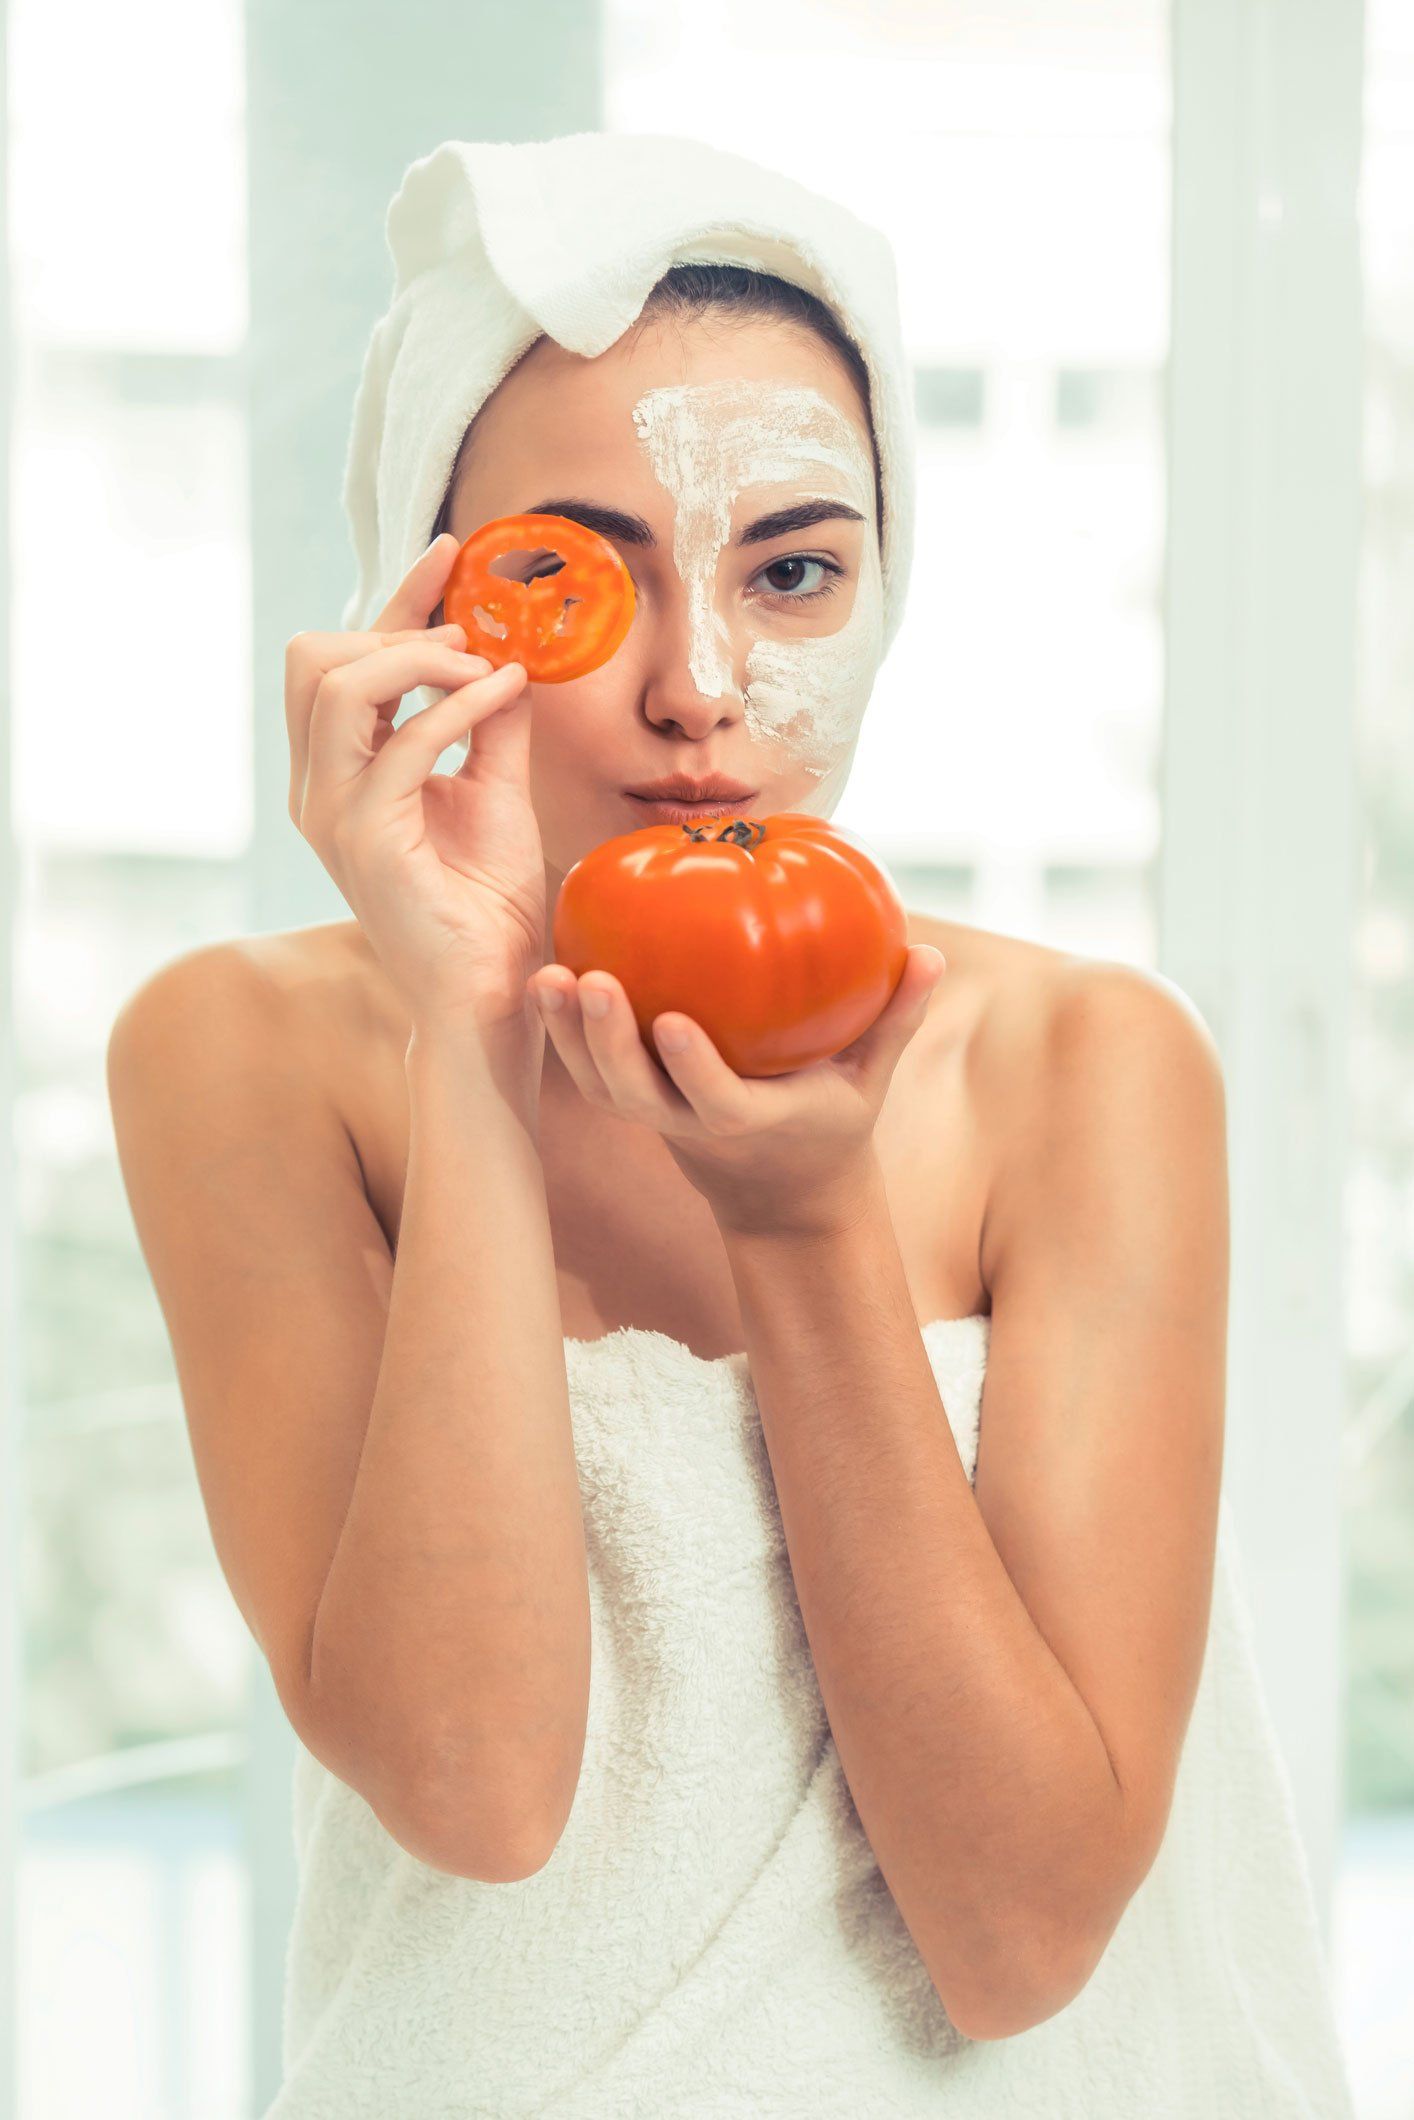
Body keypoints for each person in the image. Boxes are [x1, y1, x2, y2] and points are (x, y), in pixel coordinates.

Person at [106, 133, 1356, 2117]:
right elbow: (473, 1785)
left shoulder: (1086, 1064)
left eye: (790, 566)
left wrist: (801, 1234)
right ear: (422, 595)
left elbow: (1017, 1937)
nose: (704, 687)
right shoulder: (243, 1052)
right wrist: (463, 1034)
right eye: (578, 573)